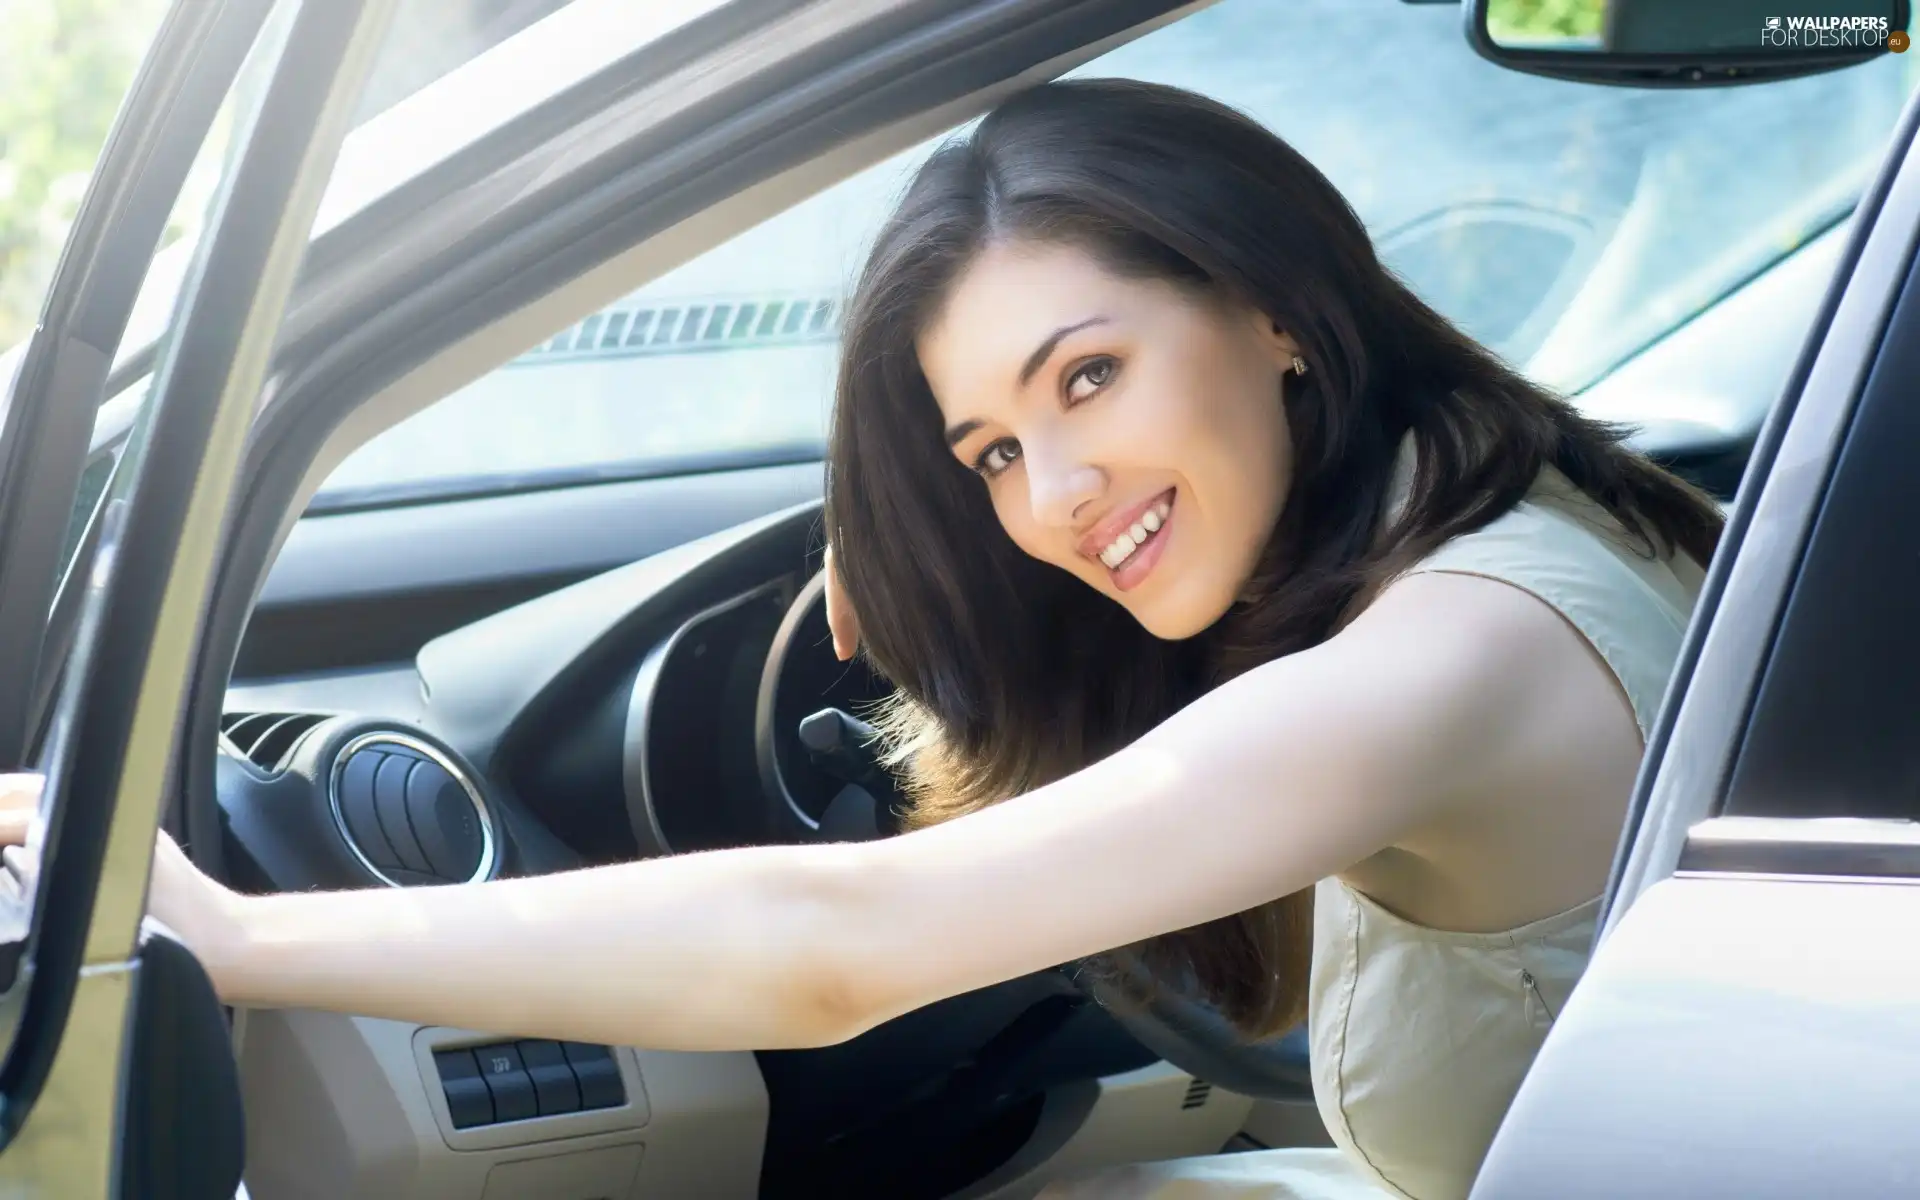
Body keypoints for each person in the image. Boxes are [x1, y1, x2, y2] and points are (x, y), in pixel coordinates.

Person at [1, 80, 1714, 1199]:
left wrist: (229, 941)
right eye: (988, 455)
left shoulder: (1449, 663)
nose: (1051, 499)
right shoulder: (1514, 512)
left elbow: (836, 948)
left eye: (1089, 375)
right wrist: (943, 590)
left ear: (1273, 306)